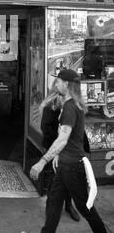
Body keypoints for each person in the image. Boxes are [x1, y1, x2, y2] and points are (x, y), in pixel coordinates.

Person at [30, 69, 107, 233]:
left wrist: (42, 162)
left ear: (66, 84)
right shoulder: (70, 104)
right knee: (54, 202)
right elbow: (66, 138)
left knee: (85, 207)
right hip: (65, 164)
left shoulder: (71, 107)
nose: (55, 84)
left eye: (58, 81)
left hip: (72, 167)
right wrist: (57, 154)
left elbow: (63, 139)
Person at [40, 90, 80, 222]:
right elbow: (45, 129)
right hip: (54, 147)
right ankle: (50, 208)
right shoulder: (50, 106)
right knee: (54, 179)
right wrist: (58, 145)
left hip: (69, 148)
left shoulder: (71, 106)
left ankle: (69, 206)